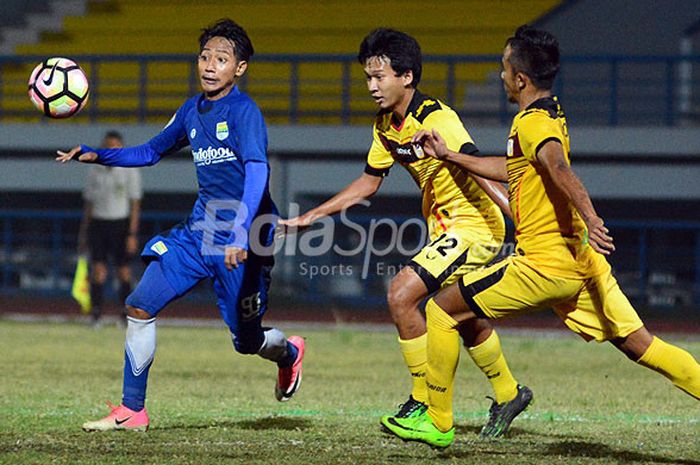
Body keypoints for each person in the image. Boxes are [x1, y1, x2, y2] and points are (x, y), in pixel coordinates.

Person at [382, 25, 700, 449]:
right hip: (583, 264)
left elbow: (556, 166)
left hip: (544, 264)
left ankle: (436, 421)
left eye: (503, 68)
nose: (500, 76)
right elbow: (518, 167)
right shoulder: (550, 113)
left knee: (442, 311)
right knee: (641, 345)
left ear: (520, 79)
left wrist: (590, 215)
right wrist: (451, 155)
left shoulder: (532, 123)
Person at [57, 18, 305, 432]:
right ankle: (133, 410)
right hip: (197, 233)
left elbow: (259, 174)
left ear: (239, 69)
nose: (209, 65)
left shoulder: (245, 112)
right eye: (205, 56)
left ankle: (289, 353)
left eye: (221, 59)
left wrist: (242, 232)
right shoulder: (192, 110)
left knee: (247, 341)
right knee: (139, 303)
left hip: (245, 239)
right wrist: (98, 155)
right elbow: (151, 152)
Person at [281, 28, 531, 437]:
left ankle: (422, 403)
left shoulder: (437, 118)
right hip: (445, 229)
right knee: (460, 315)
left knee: (401, 294)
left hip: (475, 227)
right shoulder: (385, 125)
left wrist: (522, 222)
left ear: (407, 77)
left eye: (380, 77)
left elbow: (480, 171)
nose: (372, 86)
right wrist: (313, 216)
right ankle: (508, 391)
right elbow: (368, 182)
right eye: (367, 77)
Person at [78, 131, 141, 327]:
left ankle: (125, 314)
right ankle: (96, 314)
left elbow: (135, 204)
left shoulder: (130, 170)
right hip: (98, 224)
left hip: (120, 224)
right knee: (98, 271)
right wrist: (84, 231)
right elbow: (88, 204)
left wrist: (132, 233)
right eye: (108, 146)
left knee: (123, 271)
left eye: (116, 146)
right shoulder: (94, 170)